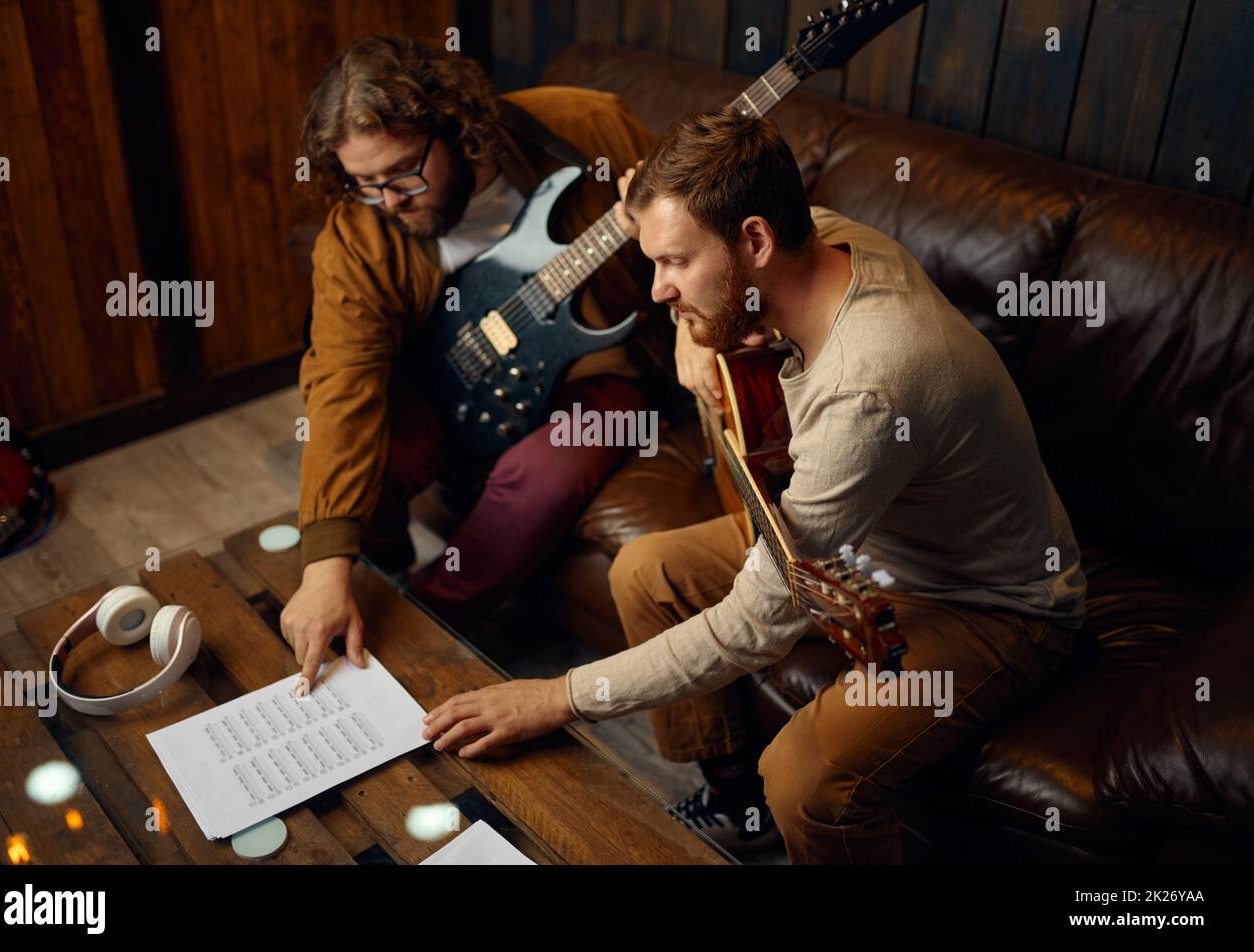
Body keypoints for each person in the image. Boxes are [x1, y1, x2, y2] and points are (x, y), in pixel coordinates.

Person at [420, 110, 1088, 862]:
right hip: (873, 540)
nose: (657, 290)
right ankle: (736, 799)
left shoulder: (869, 388)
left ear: (756, 241)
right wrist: (691, 330)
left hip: (990, 603)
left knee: (805, 778)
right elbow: (704, 269)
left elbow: (754, 623)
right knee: (647, 572)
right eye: (654, 262)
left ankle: (774, 800)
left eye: (673, 263)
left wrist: (556, 696)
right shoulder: (823, 238)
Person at [281, 36, 659, 695]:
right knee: (375, 452)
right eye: (365, 184)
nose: (390, 201)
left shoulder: (584, 124)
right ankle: (378, 583)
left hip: (596, 372)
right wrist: (324, 571)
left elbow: (698, 214)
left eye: (402, 173)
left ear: (456, 127)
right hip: (448, 375)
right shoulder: (360, 234)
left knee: (540, 474)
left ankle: (420, 632)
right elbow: (342, 383)